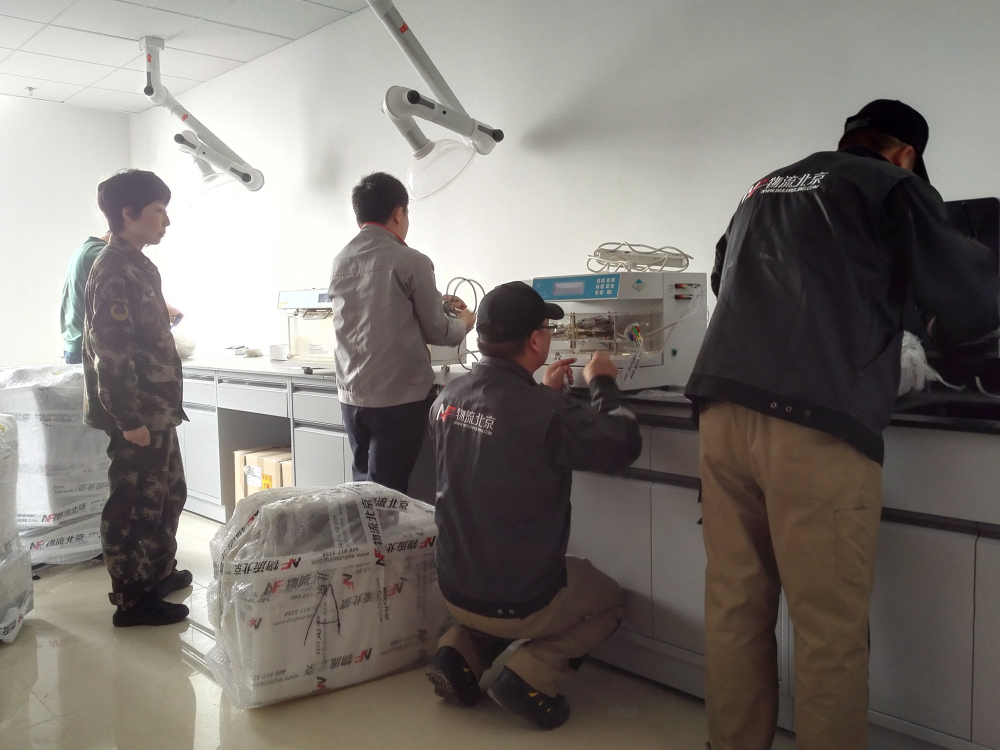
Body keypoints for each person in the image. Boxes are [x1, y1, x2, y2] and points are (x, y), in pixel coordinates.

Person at [685, 100, 1000, 750]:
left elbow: (724, 279)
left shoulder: (763, 187)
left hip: (720, 410)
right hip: (814, 425)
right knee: (828, 631)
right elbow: (969, 301)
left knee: (735, 607)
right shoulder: (891, 185)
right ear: (906, 154)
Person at [425, 281, 643, 729]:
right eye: (548, 327)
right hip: (520, 600)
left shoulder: (447, 397)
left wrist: (543, 394)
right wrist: (603, 382)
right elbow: (622, 443)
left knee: (494, 580)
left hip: (454, 586)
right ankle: (531, 675)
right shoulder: (546, 412)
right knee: (610, 599)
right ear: (536, 340)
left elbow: (501, 429)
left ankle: (458, 653)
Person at [83, 169, 192, 628]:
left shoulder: (140, 265)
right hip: (137, 413)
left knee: (167, 494)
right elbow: (109, 351)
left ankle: (157, 574)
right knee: (132, 507)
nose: (166, 220)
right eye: (158, 210)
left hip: (157, 409)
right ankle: (131, 599)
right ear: (128, 214)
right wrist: (128, 418)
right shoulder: (112, 269)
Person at [328, 172, 475, 494]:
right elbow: (439, 332)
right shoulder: (411, 260)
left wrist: (437, 301)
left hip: (351, 396)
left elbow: (376, 306)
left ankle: (363, 528)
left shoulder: (341, 261)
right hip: (397, 399)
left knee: (362, 486)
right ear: (399, 213)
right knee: (388, 492)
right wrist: (465, 322)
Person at [62, 233, 184, 365]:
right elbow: (135, 292)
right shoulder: (105, 256)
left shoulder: (85, 250)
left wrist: (166, 308)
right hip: (91, 350)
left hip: (76, 345)